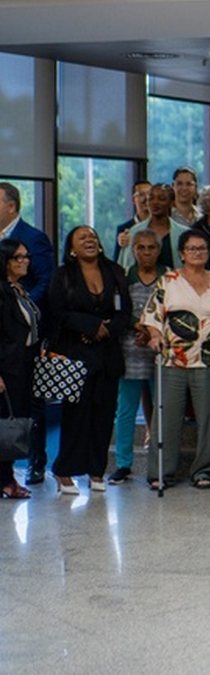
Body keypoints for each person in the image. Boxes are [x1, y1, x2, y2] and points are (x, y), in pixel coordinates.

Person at [141, 231, 210, 490]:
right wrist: (154, 336)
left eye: (202, 248)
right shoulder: (169, 281)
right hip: (173, 359)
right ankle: (161, 471)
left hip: (209, 359)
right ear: (182, 253)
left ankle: (204, 470)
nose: (198, 252)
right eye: (192, 249)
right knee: (167, 417)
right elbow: (152, 317)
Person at [46, 226, 132, 495]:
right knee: (77, 415)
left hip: (107, 354)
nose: (90, 240)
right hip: (76, 354)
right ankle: (64, 470)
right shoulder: (63, 275)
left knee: (104, 414)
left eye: (93, 236)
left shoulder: (115, 271)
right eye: (82, 238)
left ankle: (97, 471)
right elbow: (57, 312)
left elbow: (125, 311)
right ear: (71, 247)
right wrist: (90, 326)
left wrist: (108, 329)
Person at [0, 182, 53, 484]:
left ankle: (35, 461)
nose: (23, 261)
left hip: (29, 336)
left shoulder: (33, 238)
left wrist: (22, 300)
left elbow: (46, 280)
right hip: (8, 343)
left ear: (11, 206)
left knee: (32, 407)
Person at [110, 231, 164, 484]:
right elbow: (118, 309)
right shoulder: (124, 276)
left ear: (158, 249)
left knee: (162, 409)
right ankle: (123, 463)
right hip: (129, 349)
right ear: (133, 250)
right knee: (126, 410)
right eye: (140, 248)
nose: (146, 252)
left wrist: (152, 330)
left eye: (151, 247)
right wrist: (139, 327)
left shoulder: (169, 276)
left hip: (159, 349)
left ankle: (158, 464)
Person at [0, 240, 38, 500]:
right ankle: (4, 480)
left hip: (23, 365)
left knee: (14, 424)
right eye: (18, 257)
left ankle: (8, 477)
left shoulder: (19, 290)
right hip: (6, 367)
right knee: (4, 425)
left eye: (26, 256)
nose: (24, 261)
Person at [117, 183, 192, 269]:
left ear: (171, 202)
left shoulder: (184, 233)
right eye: (151, 198)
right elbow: (124, 266)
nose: (155, 202)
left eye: (161, 199)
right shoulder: (134, 232)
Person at [113, 180, 151, 256]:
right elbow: (118, 261)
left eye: (149, 194)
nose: (146, 198)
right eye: (141, 194)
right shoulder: (123, 229)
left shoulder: (160, 225)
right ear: (133, 199)